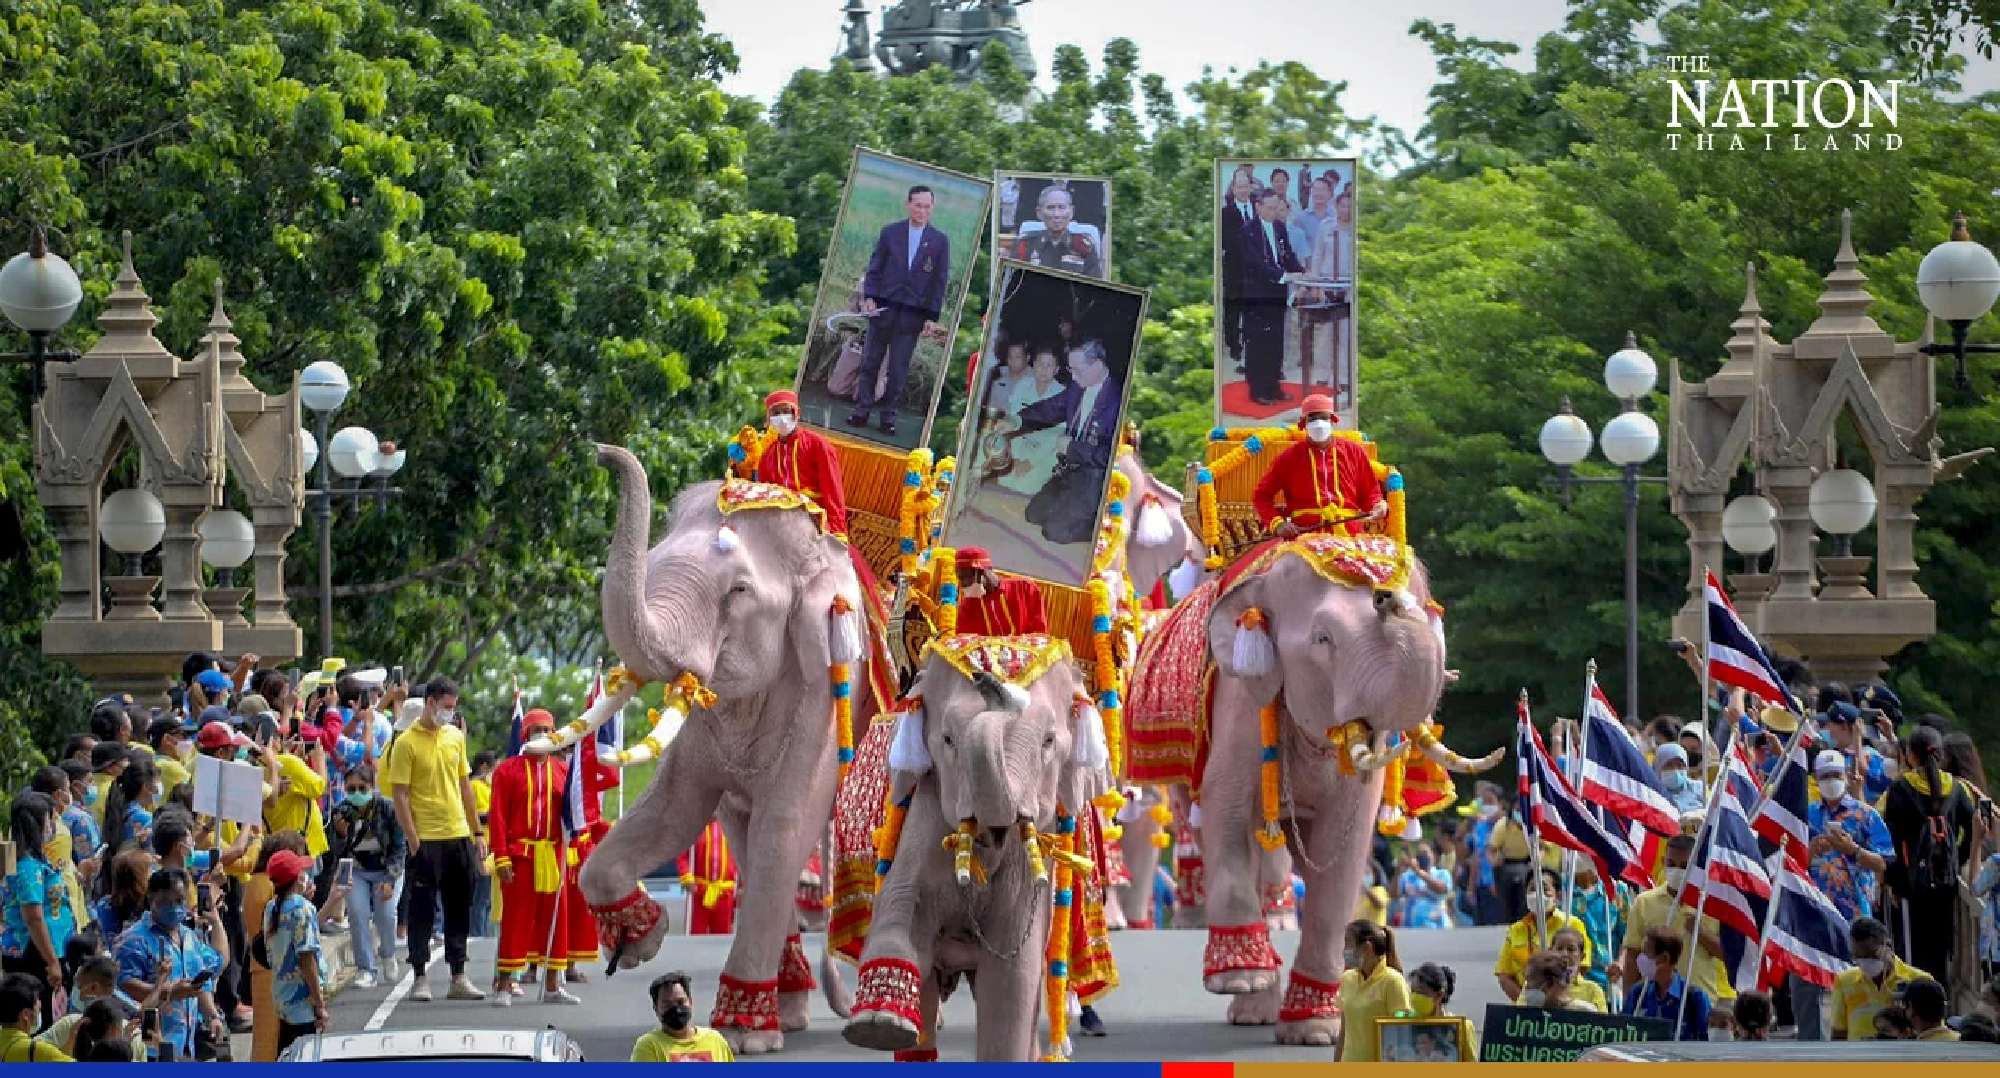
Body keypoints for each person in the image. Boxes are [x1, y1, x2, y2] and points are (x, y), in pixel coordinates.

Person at [384, 676, 487, 1002]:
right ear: (429, 703)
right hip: (425, 838)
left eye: (453, 708)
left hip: (457, 834)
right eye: (446, 707)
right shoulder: (406, 743)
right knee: (422, 910)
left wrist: (477, 831)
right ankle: (419, 975)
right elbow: (399, 795)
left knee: (459, 908)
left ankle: (458, 973)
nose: (450, 713)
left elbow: (465, 786)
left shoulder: (455, 737)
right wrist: (413, 839)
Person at [486, 709, 583, 1004]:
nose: (542, 734)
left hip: (553, 855)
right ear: (524, 734)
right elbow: (498, 817)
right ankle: (504, 985)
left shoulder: (563, 770)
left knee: (557, 921)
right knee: (516, 922)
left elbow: (573, 812)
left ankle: (553, 986)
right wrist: (501, 857)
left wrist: (574, 850)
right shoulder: (507, 770)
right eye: (536, 729)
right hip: (520, 857)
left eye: (547, 729)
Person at [847, 184, 951, 437]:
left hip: (912, 316)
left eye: (927, 206)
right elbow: (874, 269)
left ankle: (888, 418)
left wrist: (931, 317)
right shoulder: (890, 233)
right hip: (883, 308)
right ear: (908, 204)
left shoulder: (939, 241)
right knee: (870, 362)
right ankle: (862, 411)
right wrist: (869, 298)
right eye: (918, 205)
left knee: (899, 369)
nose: (922, 211)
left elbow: (939, 282)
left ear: (932, 208)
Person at [1882, 725, 1976, 988]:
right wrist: (1957, 859)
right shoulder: (1956, 789)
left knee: (1914, 955)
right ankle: (1939, 1007)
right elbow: (1972, 827)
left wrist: (1895, 883)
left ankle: (1916, 1012)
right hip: (1945, 884)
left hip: (1913, 887)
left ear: (1910, 756)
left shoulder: (1901, 788)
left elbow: (1891, 840)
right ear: (1940, 755)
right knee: (1940, 951)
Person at [1011, 338, 1126, 546]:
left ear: (1098, 364)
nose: (1072, 375)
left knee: (1055, 532)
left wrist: (1073, 448)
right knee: (1033, 515)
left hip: (1093, 479)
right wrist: (1016, 419)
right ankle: (1072, 508)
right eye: (1070, 369)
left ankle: (1102, 522)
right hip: (1068, 472)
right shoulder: (1078, 386)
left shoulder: (1118, 400)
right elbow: (1051, 408)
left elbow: (1109, 455)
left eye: (1078, 370)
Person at [113, 867, 227, 1062]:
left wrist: (212, 1016)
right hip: (149, 1046)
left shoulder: (189, 936)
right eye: (166, 902)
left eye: (180, 901)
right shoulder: (133, 940)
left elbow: (203, 981)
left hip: (185, 1044)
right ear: (151, 900)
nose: (174, 908)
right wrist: (171, 991)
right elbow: (126, 987)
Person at [1621, 835, 1733, 1016]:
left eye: (1684, 866)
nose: (1676, 870)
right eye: (1671, 864)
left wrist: (1701, 932)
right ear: (1663, 862)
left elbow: (1727, 954)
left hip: (1700, 1001)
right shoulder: (1644, 902)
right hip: (1652, 1002)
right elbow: (1632, 956)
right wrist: (1628, 1002)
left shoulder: (1712, 904)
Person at [1251, 394, 1387, 539]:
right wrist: (1278, 524)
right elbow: (1261, 495)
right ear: (1303, 423)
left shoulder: (1354, 452)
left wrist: (1377, 505)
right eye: (1312, 418)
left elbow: (1371, 493)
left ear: (1333, 420)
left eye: (1323, 417)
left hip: (1350, 535)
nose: (1318, 423)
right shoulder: (1289, 457)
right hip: (1304, 535)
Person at [2, 791, 77, 1027]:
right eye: (50, 820)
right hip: (34, 954)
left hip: (43, 950)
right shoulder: (26, 866)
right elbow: (33, 918)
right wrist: (52, 962)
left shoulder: (30, 859)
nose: (54, 826)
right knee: (40, 1023)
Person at [329, 762, 405, 989]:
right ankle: (366, 969)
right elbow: (334, 853)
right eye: (351, 789)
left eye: (362, 788)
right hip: (357, 870)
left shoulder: (389, 809)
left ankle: (388, 953)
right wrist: (341, 834)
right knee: (357, 914)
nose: (357, 794)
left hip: (386, 869)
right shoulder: (340, 812)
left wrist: (390, 879)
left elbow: (400, 848)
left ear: (372, 787)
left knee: (386, 914)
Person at [1238, 188, 1305, 405]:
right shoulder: (1247, 231)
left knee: (1276, 341)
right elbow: (1255, 264)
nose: (1274, 211)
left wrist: (1302, 271)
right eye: (1269, 207)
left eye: (1276, 207)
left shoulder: (1279, 227)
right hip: (1257, 295)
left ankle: (1274, 386)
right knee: (1259, 343)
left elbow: (1287, 257)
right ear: (1257, 206)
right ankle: (1258, 390)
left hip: (1277, 294)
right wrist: (1284, 275)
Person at [261, 849, 327, 1054]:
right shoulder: (303, 910)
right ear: (298, 878)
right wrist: (320, 1004)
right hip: (303, 1003)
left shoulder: (272, 908)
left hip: (283, 998)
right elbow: (307, 960)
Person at [1495, 868, 1591, 1001]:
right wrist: (1527, 1003)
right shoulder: (1515, 930)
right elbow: (1504, 975)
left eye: (1544, 889)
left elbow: (1582, 967)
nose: (1537, 894)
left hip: (1565, 1006)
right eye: (1532, 889)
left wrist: (1557, 997)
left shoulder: (1572, 924)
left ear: (1557, 896)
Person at [1831, 916, 1930, 1040]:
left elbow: (1932, 1032)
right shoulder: (1844, 981)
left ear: (1888, 945)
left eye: (1871, 955)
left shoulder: (1919, 981)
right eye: (1858, 957)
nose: (1865, 962)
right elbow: (1838, 1033)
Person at [1334, 919, 1409, 1062]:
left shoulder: (1393, 981)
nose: (1344, 949)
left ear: (1367, 947)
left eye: (1348, 942)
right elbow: (1344, 1031)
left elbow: (1402, 1032)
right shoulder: (1347, 979)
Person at [1624, 927, 1710, 1041]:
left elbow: (1706, 1041)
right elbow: (1624, 1033)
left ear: (1664, 959)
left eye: (1645, 953)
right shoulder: (1638, 994)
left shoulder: (1694, 999)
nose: (1640, 958)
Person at [632, 969, 736, 1061]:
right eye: (667, 1005)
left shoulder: (715, 1040)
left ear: (690, 1002)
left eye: (680, 1002)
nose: (676, 1009)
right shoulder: (650, 1046)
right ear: (656, 1009)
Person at [1007, 184, 1101, 277]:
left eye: (1061, 207)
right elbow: (1012, 282)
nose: (1056, 214)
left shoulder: (1084, 247)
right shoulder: (1024, 244)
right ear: (1039, 212)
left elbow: (1095, 287)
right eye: (1050, 208)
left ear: (1071, 212)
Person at [952, 547, 1049, 636]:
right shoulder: (967, 607)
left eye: (963, 578)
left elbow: (1039, 634)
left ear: (980, 572)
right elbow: (966, 644)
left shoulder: (1025, 588)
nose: (962, 585)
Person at [1219, 167, 1258, 376]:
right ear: (1233, 188)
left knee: (1252, 310)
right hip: (1234, 269)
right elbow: (1226, 243)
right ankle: (1234, 346)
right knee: (1233, 310)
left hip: (1255, 272)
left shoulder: (1258, 209)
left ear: (1251, 187)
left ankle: (1250, 349)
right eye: (1239, 186)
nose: (1242, 190)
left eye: (1246, 186)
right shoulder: (1225, 213)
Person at [0, 971, 72, 1061]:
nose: (39, 1013)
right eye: (38, 1009)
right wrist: (70, 1043)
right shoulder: (36, 1051)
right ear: (25, 1014)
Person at [103, 752, 159, 851]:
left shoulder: (121, 809)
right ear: (146, 787)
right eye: (157, 782)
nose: (159, 788)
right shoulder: (145, 819)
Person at [1550, 927, 1608, 1010]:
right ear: (1550, 952)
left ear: (1582, 956)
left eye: (1571, 949)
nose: (1564, 954)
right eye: (1559, 948)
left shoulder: (1593, 990)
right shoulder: (1537, 985)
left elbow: (1602, 1022)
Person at [1397, 844, 1453, 929]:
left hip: (1437, 926)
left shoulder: (1442, 874)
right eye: (1419, 854)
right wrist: (1399, 868)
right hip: (1412, 928)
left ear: (1433, 856)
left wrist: (1419, 872)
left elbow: (1442, 889)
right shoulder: (1407, 876)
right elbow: (1394, 894)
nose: (1422, 857)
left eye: (1425, 853)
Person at [1520, 950, 1593, 1011]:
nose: (1528, 990)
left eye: (1532, 986)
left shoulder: (1585, 1011)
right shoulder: (1523, 1016)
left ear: (1553, 984)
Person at [1651, 743, 1707, 814]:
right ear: (1658, 767)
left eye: (1680, 765)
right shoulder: (1652, 794)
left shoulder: (1701, 787)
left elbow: (1712, 809)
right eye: (1669, 765)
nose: (1675, 770)